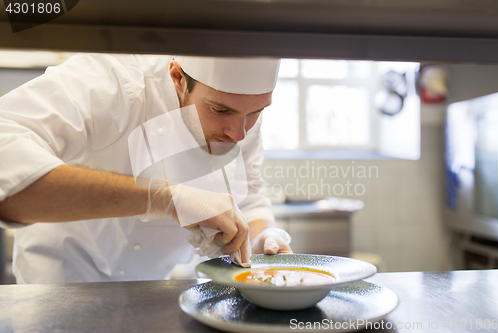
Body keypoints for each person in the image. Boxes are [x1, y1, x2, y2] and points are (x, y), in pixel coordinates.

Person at [0, 53, 292, 284]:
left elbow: (248, 198)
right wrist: (165, 197)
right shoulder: (114, 80)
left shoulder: (239, 119)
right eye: (220, 110)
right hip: (61, 276)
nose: (238, 133)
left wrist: (263, 236)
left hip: (151, 285)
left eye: (256, 112)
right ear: (178, 78)